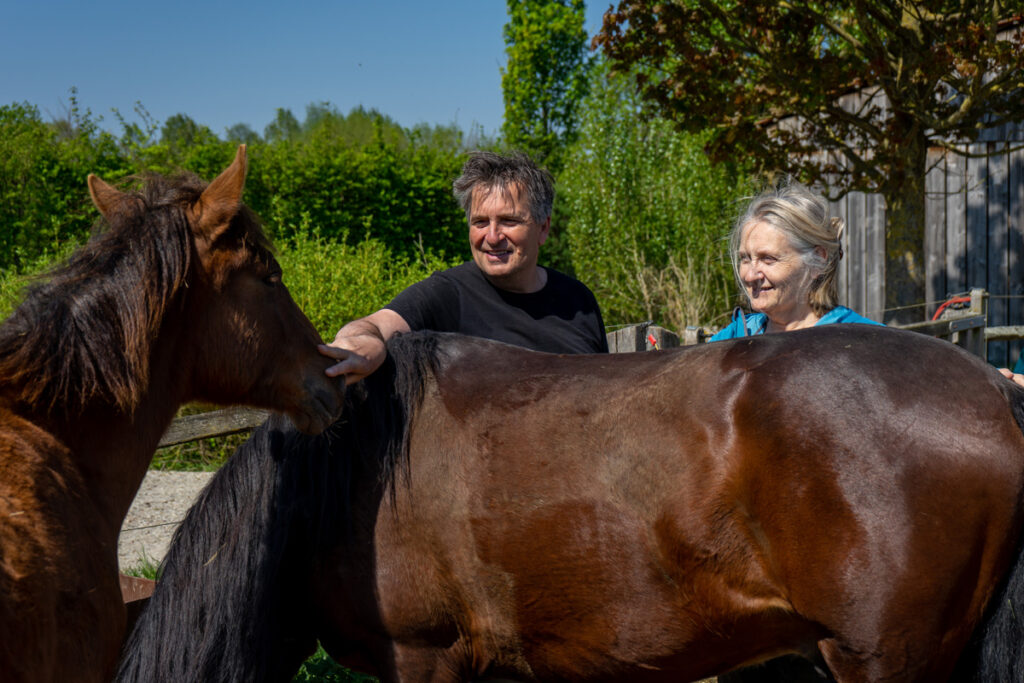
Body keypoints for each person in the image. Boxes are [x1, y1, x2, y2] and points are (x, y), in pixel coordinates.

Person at [319, 151, 608, 384]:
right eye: (480, 222)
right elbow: (374, 324)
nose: (492, 237)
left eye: (509, 221)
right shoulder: (447, 294)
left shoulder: (578, 301)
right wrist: (363, 344)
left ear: (543, 229)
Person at [710, 181, 883, 341]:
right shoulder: (733, 338)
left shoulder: (866, 341)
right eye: (745, 259)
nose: (750, 276)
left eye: (768, 259)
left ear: (818, 260)